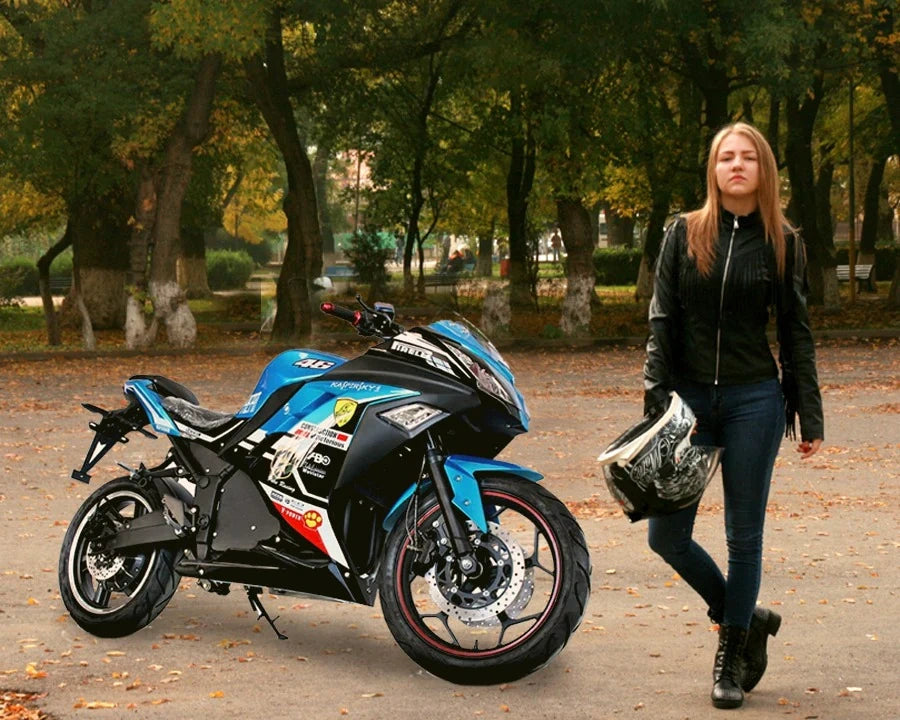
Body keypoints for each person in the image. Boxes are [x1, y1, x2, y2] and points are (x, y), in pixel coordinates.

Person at [642, 122, 824, 710]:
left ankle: (731, 655)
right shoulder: (684, 233)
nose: (737, 165)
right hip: (689, 403)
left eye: (748, 157)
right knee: (666, 536)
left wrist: (810, 415)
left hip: (754, 400)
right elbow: (662, 319)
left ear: (763, 170)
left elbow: (796, 330)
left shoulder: (783, 241)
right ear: (713, 169)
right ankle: (742, 615)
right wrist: (656, 403)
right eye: (727, 156)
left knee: (743, 537)